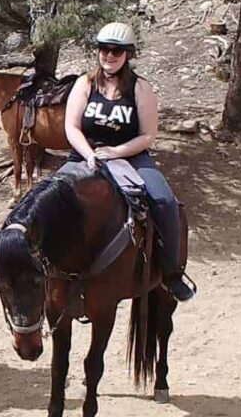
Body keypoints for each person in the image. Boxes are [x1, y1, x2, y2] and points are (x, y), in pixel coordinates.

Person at [63, 21, 195, 302]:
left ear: (128, 55)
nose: (109, 56)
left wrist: (116, 152)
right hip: (85, 154)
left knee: (164, 201)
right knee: (47, 198)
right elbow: (72, 127)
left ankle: (171, 274)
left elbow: (148, 135)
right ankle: (45, 272)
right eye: (104, 49)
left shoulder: (140, 88)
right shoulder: (84, 83)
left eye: (116, 51)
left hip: (131, 156)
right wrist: (88, 154)